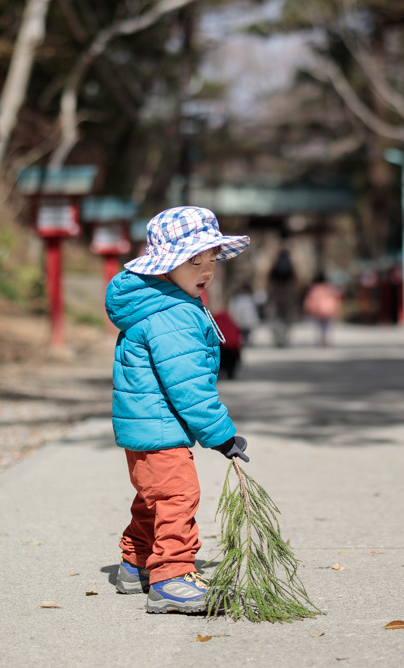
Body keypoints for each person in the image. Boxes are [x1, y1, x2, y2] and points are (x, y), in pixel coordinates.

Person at [104, 206, 252, 615]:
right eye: (193, 261)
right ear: (166, 265)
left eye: (211, 260)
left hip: (145, 426)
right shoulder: (174, 314)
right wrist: (221, 434)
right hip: (162, 426)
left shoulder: (155, 303)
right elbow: (188, 388)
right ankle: (171, 577)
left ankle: (135, 566)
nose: (205, 270)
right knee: (177, 496)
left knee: (152, 498)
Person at [267, 247, 299, 346]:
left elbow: (269, 278)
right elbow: (295, 278)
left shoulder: (274, 264)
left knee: (276, 315)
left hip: (276, 291)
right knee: (287, 316)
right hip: (288, 292)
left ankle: (278, 337)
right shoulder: (291, 264)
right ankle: (285, 337)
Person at [303, 273, 344, 346]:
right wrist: (336, 308)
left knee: (319, 324)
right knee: (326, 324)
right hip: (328, 309)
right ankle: (325, 337)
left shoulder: (314, 289)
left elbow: (310, 299)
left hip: (318, 309)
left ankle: (322, 337)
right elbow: (335, 298)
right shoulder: (329, 288)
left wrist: (308, 308)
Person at [213, 306, 243, 379]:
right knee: (231, 361)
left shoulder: (216, 322)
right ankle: (230, 373)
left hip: (221, 347)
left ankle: (220, 372)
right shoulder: (231, 322)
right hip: (232, 348)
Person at [228, 281, 261, 346]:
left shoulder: (240, 299)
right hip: (243, 321)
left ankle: (245, 342)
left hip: (243, 321)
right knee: (244, 333)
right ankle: (244, 342)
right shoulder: (241, 299)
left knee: (245, 333)